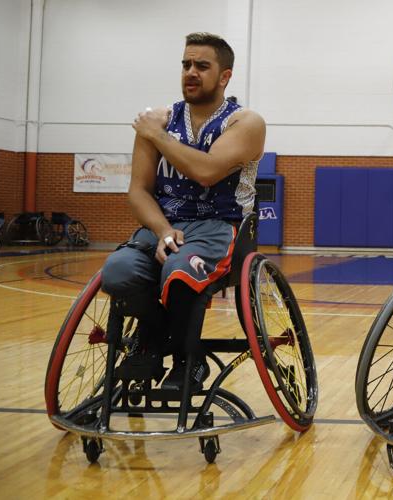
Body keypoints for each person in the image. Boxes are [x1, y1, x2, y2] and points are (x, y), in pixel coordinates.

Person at [101, 32, 266, 390]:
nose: (191, 72)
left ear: (224, 76)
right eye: (186, 64)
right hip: (165, 225)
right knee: (117, 272)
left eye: (202, 66)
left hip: (219, 226)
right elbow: (139, 192)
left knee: (179, 270)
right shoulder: (161, 120)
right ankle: (150, 341)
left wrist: (158, 136)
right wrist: (162, 230)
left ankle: (187, 360)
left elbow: (206, 171)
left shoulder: (245, 122)